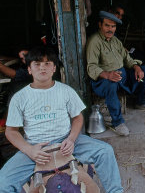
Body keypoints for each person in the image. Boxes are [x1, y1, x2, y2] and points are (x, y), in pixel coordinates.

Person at [0, 46, 123, 193]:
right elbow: (11, 131)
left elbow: (78, 118)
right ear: (29, 69)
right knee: (4, 181)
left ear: (54, 68)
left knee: (105, 151)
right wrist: (29, 150)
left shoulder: (66, 91)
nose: (42, 68)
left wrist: (71, 139)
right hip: (35, 147)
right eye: (37, 64)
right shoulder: (19, 97)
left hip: (66, 141)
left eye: (47, 64)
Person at [86, 11, 145, 137]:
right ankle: (118, 123)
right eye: (107, 25)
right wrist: (107, 75)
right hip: (104, 80)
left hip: (121, 77)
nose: (110, 29)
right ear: (100, 25)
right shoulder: (94, 41)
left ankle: (141, 102)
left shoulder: (115, 41)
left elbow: (127, 58)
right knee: (111, 85)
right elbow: (91, 66)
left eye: (113, 26)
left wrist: (136, 67)